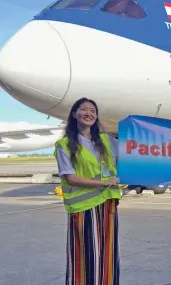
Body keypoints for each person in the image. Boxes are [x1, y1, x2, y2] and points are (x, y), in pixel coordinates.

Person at [54, 97, 123, 285]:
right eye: (84, 109)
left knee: (108, 253)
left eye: (93, 111)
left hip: (107, 205)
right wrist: (104, 183)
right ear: (75, 114)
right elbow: (70, 177)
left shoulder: (106, 141)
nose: (89, 114)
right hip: (84, 208)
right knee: (87, 255)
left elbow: (132, 150)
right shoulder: (65, 145)